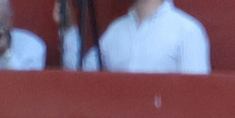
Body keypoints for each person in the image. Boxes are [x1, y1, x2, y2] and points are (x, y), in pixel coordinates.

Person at [57, 0, 208, 73]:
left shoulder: (187, 31)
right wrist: (68, 27)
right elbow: (78, 76)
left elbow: (196, 97)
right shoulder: (115, 31)